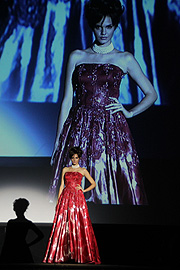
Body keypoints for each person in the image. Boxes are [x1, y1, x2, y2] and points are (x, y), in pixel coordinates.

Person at [49, 0, 158, 204]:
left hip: (111, 132)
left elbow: (151, 93)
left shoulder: (124, 58)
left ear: (115, 26)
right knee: (77, 193)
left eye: (108, 26)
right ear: (92, 26)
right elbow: (67, 101)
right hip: (79, 129)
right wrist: (58, 141)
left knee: (111, 190)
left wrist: (130, 112)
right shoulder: (77, 56)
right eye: (99, 26)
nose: (103, 31)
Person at [43, 147, 101, 264]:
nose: (74, 160)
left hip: (78, 198)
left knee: (79, 223)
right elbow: (61, 185)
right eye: (73, 158)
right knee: (64, 224)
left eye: (76, 158)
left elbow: (93, 183)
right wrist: (59, 200)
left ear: (79, 158)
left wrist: (84, 190)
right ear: (71, 158)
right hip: (66, 197)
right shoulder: (65, 169)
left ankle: (79, 253)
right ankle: (63, 254)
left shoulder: (83, 170)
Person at [0, 198, 44, 263]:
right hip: (22, 249)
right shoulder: (27, 223)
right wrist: (28, 245)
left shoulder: (11, 222)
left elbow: (7, 240)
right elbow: (41, 235)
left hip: (10, 250)